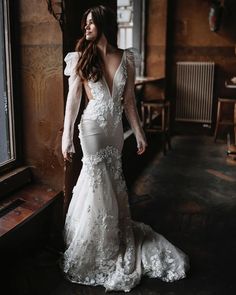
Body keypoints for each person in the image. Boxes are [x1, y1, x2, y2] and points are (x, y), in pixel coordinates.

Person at [61, 5, 189, 293]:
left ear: (104, 25)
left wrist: (140, 133)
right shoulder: (81, 57)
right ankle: (97, 244)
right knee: (96, 183)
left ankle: (113, 235)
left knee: (114, 183)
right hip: (92, 129)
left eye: (91, 23)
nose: (87, 28)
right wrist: (66, 137)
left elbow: (129, 102)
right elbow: (73, 102)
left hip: (115, 132)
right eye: (85, 24)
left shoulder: (126, 59)